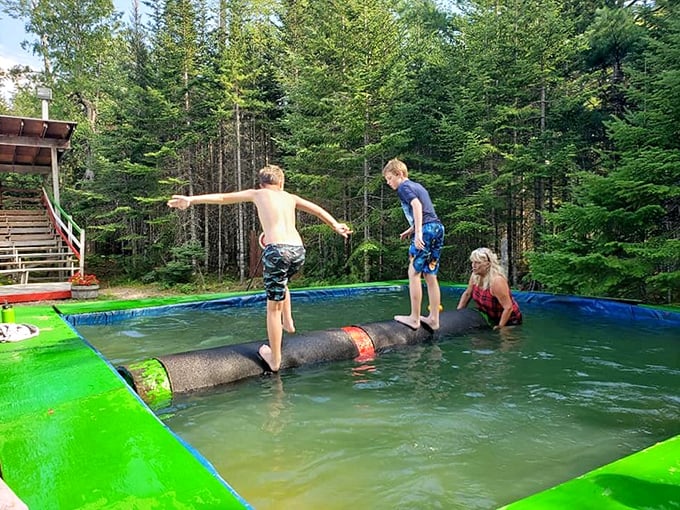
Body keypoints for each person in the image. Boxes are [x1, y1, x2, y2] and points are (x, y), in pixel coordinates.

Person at [167, 164, 352, 372]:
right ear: (281, 183)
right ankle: (288, 323)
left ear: (261, 184)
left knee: (272, 308)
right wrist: (335, 225)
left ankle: (275, 359)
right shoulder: (290, 197)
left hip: (277, 251)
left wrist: (191, 200)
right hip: (298, 250)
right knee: (282, 282)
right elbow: (317, 209)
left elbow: (222, 198)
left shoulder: (257, 193)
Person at [382, 158, 445, 330]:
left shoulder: (403, 187)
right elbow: (427, 212)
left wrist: (418, 233)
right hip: (437, 228)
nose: (388, 183)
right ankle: (434, 319)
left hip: (425, 229)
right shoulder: (418, 186)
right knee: (430, 275)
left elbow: (417, 206)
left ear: (399, 174)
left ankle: (414, 318)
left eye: (389, 178)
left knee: (413, 272)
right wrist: (411, 229)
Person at [457, 247, 522, 329]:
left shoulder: (497, 281)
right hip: (490, 316)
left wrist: (500, 327)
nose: (473, 265)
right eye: (472, 262)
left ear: (487, 264)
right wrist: (458, 313)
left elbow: (508, 308)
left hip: (510, 320)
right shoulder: (475, 276)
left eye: (477, 263)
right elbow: (467, 294)